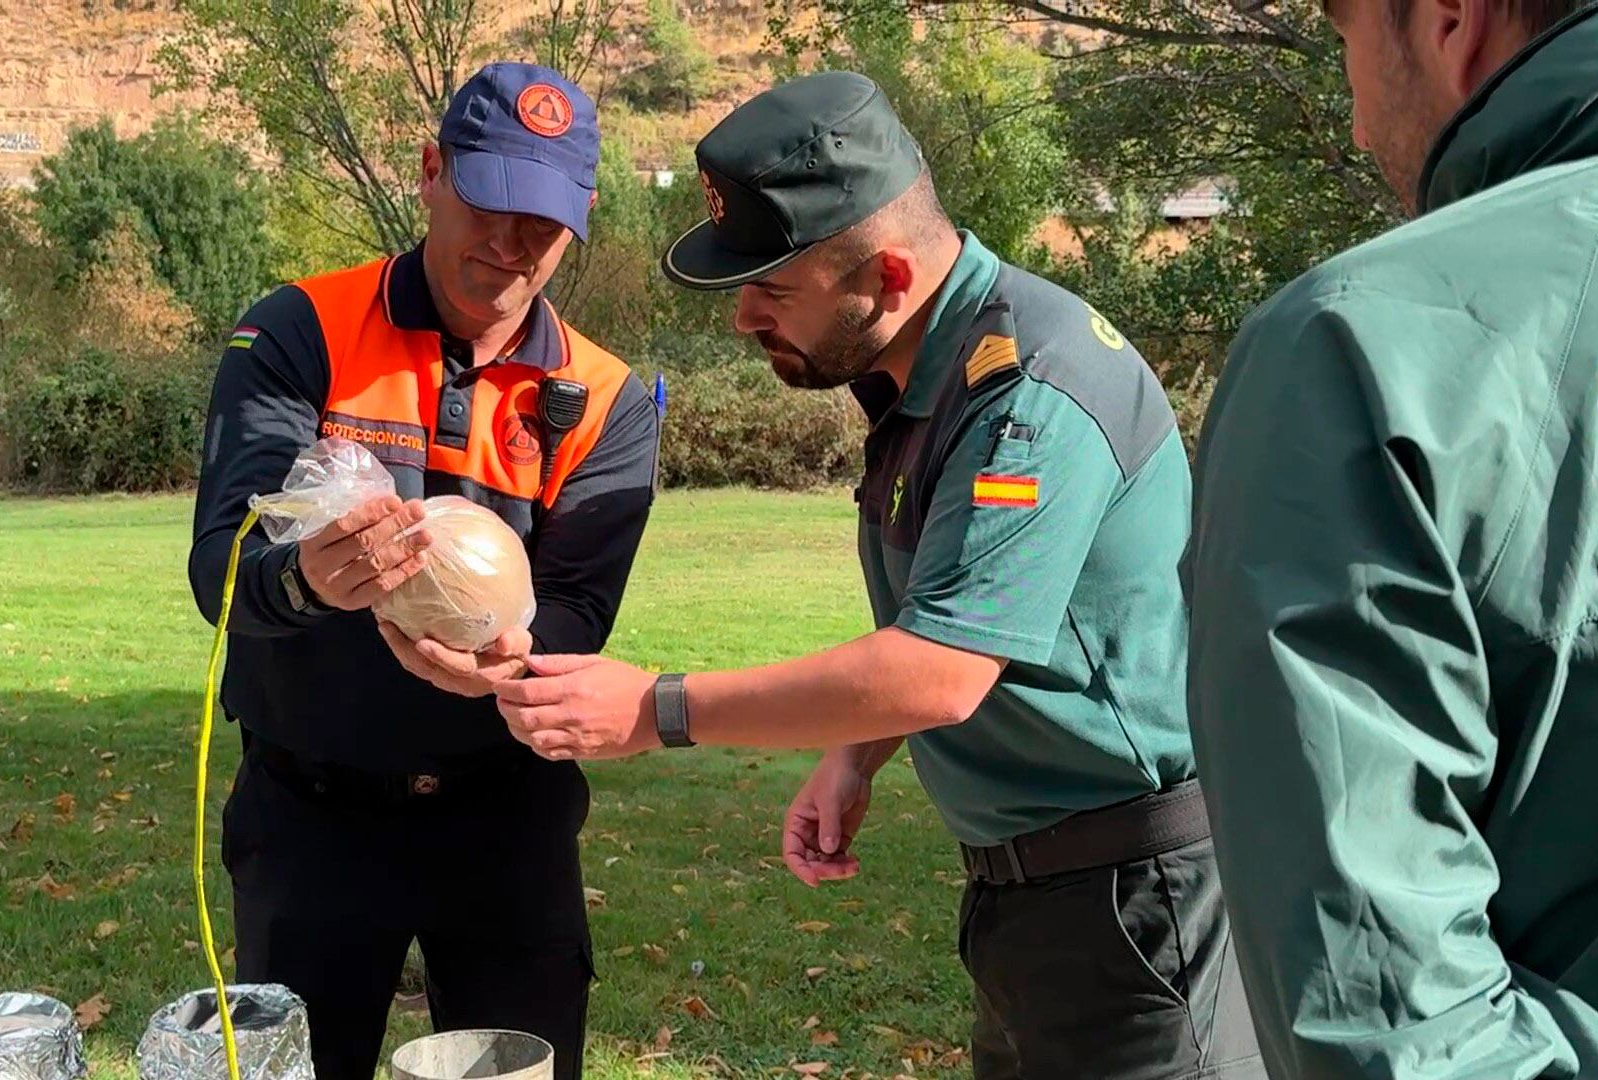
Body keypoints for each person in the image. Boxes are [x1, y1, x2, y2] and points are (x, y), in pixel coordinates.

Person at [493, 70, 1266, 1080]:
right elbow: (951, 603)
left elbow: (942, 667)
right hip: (1038, 896)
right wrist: (856, 756)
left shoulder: (1030, 393)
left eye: (772, 290)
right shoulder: (919, 376)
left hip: (1136, 900)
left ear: (888, 280)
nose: (742, 319)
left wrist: (658, 708)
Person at [187, 61, 660, 1080]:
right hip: (311, 816)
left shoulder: (607, 395)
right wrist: (308, 580)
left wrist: (517, 658)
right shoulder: (297, 331)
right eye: (489, 201)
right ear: (431, 172)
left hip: (507, 821)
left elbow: (578, 607)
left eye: (542, 224)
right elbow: (222, 567)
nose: (509, 244)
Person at [1185, 0, 1598, 1075]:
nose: (1361, 124)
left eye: (1345, 41)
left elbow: (1387, 1021)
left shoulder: (1359, 352)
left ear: (1450, 19)